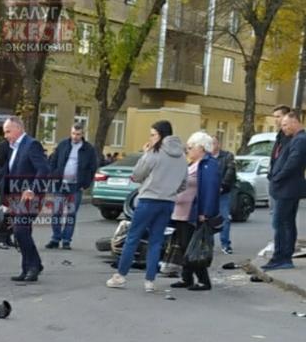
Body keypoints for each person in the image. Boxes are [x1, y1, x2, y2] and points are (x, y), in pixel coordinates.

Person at [107, 121, 187, 292]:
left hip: (149, 199)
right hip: (168, 202)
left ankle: (120, 276)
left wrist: (145, 154)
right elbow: (183, 184)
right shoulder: (181, 156)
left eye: (153, 134)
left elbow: (137, 175)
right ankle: (150, 281)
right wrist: (170, 190)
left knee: (133, 238)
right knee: (156, 241)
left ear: (161, 135)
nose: (150, 138)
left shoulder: (154, 152)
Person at [0, 116, 51, 283]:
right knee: (22, 231)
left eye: (8, 131)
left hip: (31, 197)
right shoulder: (13, 147)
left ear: (18, 128)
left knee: (20, 229)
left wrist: (32, 189)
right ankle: (27, 268)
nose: (6, 135)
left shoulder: (32, 144)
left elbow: (43, 169)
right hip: (16, 198)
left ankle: (34, 265)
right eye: (5, 132)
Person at [170, 132, 220, 291]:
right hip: (181, 211)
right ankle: (186, 278)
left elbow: (210, 189)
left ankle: (204, 280)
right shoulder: (193, 163)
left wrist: (206, 212)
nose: (188, 150)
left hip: (193, 212)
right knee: (183, 245)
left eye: (191, 147)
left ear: (201, 148)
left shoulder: (208, 164)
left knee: (193, 246)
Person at [263, 112, 306, 271]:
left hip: (287, 189)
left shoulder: (300, 140)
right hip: (287, 188)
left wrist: (277, 177)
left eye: (285, 125)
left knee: (281, 224)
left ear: (295, 122)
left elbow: (293, 163)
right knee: (286, 223)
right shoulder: (295, 139)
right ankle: (283, 257)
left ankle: (281, 258)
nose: (283, 128)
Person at [46, 123, 98, 250]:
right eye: (73, 133)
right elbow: (53, 161)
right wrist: (53, 176)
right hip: (60, 184)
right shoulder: (63, 144)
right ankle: (55, 238)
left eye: (78, 134)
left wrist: (85, 183)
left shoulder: (88, 149)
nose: (75, 136)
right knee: (56, 213)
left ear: (82, 134)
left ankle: (66, 240)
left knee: (71, 214)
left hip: (76, 186)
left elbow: (92, 168)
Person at [210, 136, 236, 254]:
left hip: (223, 192)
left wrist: (223, 186)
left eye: (214, 143)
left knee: (225, 218)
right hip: (209, 192)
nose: (212, 146)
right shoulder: (206, 157)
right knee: (208, 218)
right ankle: (209, 244)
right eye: (210, 143)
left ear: (219, 144)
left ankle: (225, 244)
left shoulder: (227, 156)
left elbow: (230, 171)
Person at [0, 138, 15, 249]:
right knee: (5, 210)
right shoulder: (4, 145)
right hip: (6, 182)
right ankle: (1, 239)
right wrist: (3, 174)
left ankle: (8, 237)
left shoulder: (23, 145)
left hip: (19, 183)